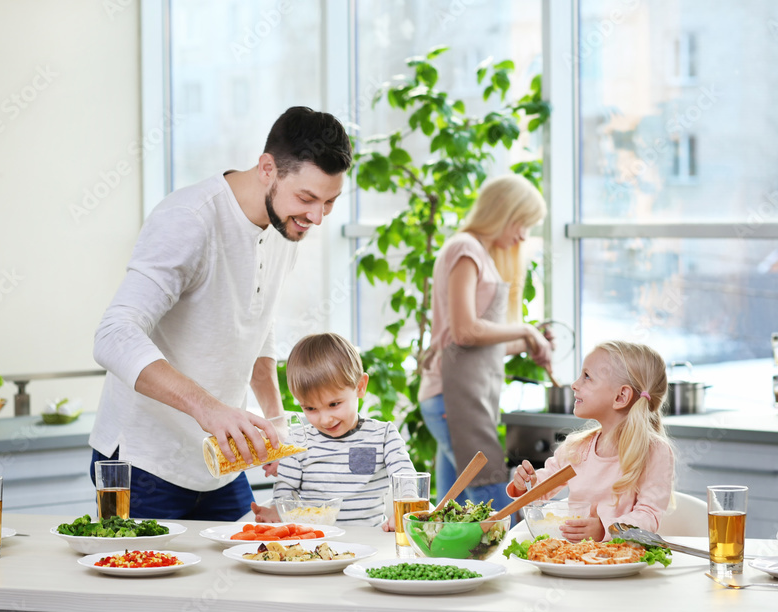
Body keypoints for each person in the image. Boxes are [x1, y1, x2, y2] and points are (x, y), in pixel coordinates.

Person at [89, 106, 353, 521]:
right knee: (152, 585)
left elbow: (254, 324)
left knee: (248, 577)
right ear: (267, 168)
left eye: (330, 202)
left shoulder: (286, 226)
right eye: (307, 198)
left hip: (220, 464)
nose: (317, 218)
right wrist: (209, 410)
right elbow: (113, 335)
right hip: (145, 464)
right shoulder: (189, 220)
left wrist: (276, 419)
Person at [418, 174, 554, 511]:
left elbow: (475, 348)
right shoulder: (466, 248)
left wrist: (528, 341)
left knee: (450, 509)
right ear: (503, 212)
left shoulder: (479, 252)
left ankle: (443, 565)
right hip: (453, 398)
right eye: (523, 223)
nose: (523, 235)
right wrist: (525, 330)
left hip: (459, 397)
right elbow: (465, 331)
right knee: (496, 501)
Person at [508, 341, 675, 541]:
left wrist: (606, 530)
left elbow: (649, 515)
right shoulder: (577, 448)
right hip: (574, 558)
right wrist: (526, 484)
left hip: (620, 562)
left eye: (587, 377)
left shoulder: (654, 452)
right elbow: (541, 489)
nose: (574, 384)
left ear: (621, 396)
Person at [250, 333, 416, 529]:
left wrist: (406, 508)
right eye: (310, 408)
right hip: (314, 542)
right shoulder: (297, 442)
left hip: (370, 542)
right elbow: (286, 488)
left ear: (360, 387)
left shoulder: (383, 436)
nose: (325, 419)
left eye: (334, 404)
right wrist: (279, 511)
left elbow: (405, 475)